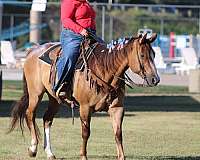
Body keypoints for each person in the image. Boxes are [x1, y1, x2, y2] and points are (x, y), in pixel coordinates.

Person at [54, 0, 98, 98]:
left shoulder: (85, 2)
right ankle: (62, 84)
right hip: (73, 35)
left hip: (90, 35)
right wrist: (80, 30)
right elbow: (66, 20)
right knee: (70, 55)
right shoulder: (69, 1)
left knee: (106, 52)